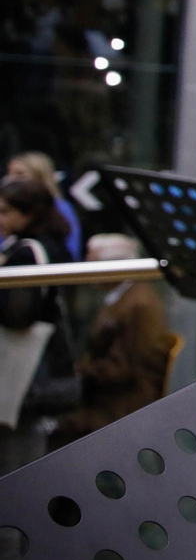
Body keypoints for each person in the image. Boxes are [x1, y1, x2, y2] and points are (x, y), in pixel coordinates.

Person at [50, 233, 172, 445]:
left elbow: (128, 366)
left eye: (94, 264)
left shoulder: (138, 305)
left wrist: (83, 369)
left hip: (123, 403)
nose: (88, 270)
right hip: (106, 394)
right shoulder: (122, 298)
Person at [0, 177, 75, 472]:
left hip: (24, 363)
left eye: (6, 212)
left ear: (28, 214)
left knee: (16, 447)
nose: (1, 219)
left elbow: (19, 316)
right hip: (42, 361)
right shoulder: (53, 244)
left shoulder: (26, 252)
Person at [8, 151, 82, 260]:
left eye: (20, 174)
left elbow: (71, 249)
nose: (12, 180)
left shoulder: (60, 208)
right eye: (9, 173)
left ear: (41, 176)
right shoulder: (9, 209)